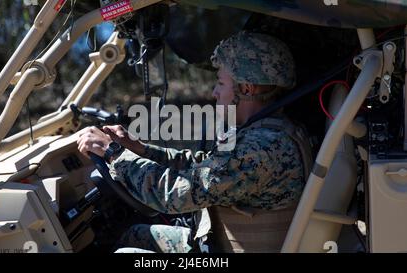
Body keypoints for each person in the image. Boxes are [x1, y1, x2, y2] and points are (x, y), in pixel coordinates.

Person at [77, 31, 311, 253]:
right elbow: (204, 167)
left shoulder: (262, 148)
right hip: (218, 245)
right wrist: (140, 149)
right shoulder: (267, 132)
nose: (214, 92)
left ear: (246, 88)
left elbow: (175, 196)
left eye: (220, 82)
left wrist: (112, 153)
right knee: (136, 235)